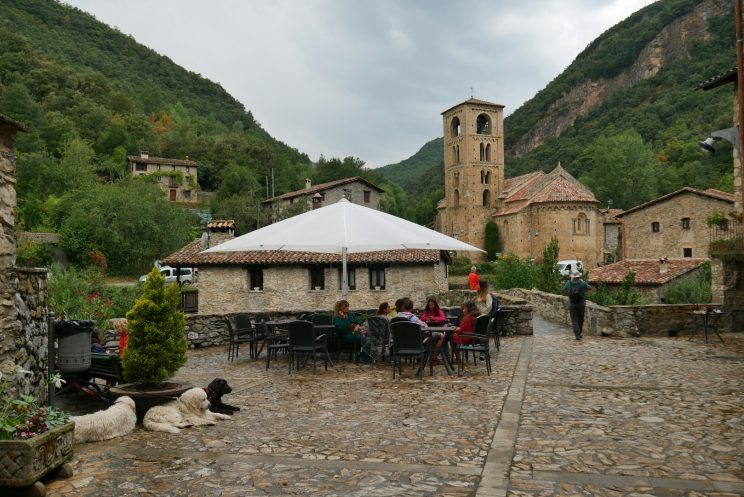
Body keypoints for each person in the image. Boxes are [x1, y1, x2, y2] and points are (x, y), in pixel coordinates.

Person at [565, 270, 591, 340]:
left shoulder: (569, 283)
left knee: (574, 320)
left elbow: (564, 288)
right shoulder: (583, 283)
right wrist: (583, 282)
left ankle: (577, 335)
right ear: (579, 276)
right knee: (580, 319)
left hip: (572, 304)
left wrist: (570, 281)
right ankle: (579, 333)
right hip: (581, 304)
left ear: (573, 276)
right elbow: (590, 288)